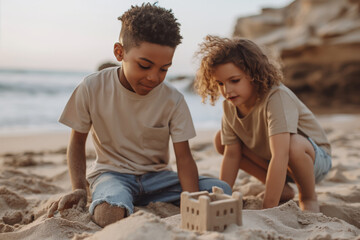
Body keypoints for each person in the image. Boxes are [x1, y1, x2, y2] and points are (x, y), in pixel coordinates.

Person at [47, 4, 231, 227]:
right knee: (108, 213)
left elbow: (184, 157)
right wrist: (78, 187)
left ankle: (139, 201)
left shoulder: (174, 100)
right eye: (144, 65)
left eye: (164, 69)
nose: (154, 77)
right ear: (119, 52)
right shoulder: (91, 87)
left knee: (222, 190)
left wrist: (191, 199)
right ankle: (120, 201)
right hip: (112, 175)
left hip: (159, 180)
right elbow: (77, 142)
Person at [194, 35, 332, 212]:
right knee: (222, 140)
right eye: (220, 83)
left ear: (253, 74)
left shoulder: (276, 97)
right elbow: (231, 156)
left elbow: (281, 155)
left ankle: (308, 197)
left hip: (314, 161)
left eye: (234, 81)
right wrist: (222, 198)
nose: (227, 90)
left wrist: (268, 209)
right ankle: (281, 189)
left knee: (293, 145)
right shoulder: (229, 106)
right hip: (275, 159)